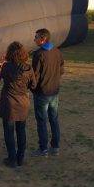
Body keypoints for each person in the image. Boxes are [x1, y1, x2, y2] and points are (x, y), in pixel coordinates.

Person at [0, 41, 36, 168]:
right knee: (21, 130)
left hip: (9, 103)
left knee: (9, 132)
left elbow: (1, 76)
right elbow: (33, 85)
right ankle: (20, 158)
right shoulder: (28, 68)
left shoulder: (6, 67)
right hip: (23, 103)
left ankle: (12, 158)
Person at [31, 28, 65, 157]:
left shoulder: (39, 54)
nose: (34, 40)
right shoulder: (57, 51)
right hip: (54, 91)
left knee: (42, 121)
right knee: (54, 119)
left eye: (36, 37)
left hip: (42, 93)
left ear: (43, 39)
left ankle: (43, 149)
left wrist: (32, 88)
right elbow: (61, 70)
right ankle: (55, 147)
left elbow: (35, 75)